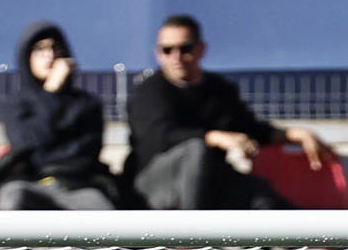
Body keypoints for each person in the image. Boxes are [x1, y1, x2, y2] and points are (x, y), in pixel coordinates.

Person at [125, 14, 333, 210]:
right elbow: (158, 136)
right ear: (158, 53)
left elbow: (249, 129)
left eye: (185, 48)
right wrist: (213, 138)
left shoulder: (219, 90)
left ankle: (309, 234)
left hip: (211, 179)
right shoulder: (150, 91)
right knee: (196, 151)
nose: (176, 57)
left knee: (260, 196)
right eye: (167, 50)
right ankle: (194, 233)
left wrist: (294, 134)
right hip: (152, 186)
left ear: (201, 49)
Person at [0, 21, 121, 212]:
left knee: (102, 211)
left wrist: (46, 153)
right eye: (39, 49)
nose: (50, 55)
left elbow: (84, 155)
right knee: (12, 196)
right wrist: (52, 92)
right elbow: (26, 143)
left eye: (55, 48)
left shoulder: (87, 103)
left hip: (78, 186)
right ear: (26, 57)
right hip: (31, 183)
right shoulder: (16, 104)